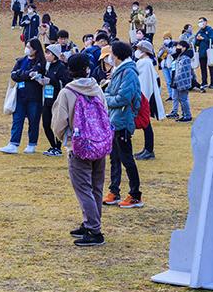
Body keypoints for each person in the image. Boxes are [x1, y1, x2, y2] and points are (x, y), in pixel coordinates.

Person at [51, 52, 109, 246]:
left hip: (79, 145)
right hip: (99, 143)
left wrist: (65, 140)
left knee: (83, 187)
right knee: (96, 186)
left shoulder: (68, 92)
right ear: (87, 68)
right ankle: (91, 222)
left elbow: (59, 122)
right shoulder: (96, 88)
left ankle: (94, 229)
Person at [102, 41, 143, 209]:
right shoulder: (119, 71)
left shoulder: (129, 73)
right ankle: (114, 190)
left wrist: (106, 99)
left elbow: (123, 98)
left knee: (127, 158)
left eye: (111, 53)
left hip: (122, 121)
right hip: (115, 120)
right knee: (114, 158)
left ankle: (135, 194)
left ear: (117, 55)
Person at [0, 39, 47, 154]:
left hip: (34, 96)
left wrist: (23, 74)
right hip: (20, 95)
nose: (27, 49)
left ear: (35, 49)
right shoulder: (21, 60)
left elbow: (33, 73)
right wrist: (26, 74)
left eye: (30, 47)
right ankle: (13, 143)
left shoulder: (40, 62)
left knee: (33, 120)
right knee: (17, 119)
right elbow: (14, 75)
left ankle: (32, 144)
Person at [134, 40, 165, 160]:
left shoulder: (143, 63)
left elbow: (142, 81)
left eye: (138, 49)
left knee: (146, 124)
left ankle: (149, 150)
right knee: (146, 125)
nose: (136, 51)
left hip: (143, 97)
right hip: (145, 96)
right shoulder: (146, 62)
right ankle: (147, 149)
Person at [41, 44, 72, 157]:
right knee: (46, 123)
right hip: (47, 99)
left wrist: (51, 81)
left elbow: (64, 82)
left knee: (56, 124)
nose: (46, 55)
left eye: (48, 53)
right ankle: (53, 146)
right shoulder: (48, 66)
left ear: (55, 55)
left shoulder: (61, 67)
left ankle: (58, 147)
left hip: (57, 100)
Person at [167, 40, 193, 122]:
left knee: (183, 99)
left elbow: (182, 72)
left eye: (179, 46)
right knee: (181, 99)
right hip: (178, 82)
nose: (177, 48)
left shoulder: (185, 58)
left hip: (182, 82)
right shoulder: (180, 56)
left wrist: (177, 82)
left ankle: (187, 116)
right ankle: (184, 115)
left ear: (184, 48)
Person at [194, 17, 213, 90]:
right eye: (199, 22)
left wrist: (203, 38)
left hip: (209, 52)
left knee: (211, 67)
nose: (200, 23)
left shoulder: (210, 30)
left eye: (202, 21)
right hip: (202, 52)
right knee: (203, 68)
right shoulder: (199, 32)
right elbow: (196, 43)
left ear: (206, 22)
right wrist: (198, 40)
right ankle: (204, 82)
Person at [157, 32, 174, 101]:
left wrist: (166, 49)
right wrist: (161, 50)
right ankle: (170, 95)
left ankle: (174, 96)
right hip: (164, 65)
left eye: (167, 38)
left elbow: (173, 53)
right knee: (168, 82)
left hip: (171, 65)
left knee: (173, 81)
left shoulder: (173, 44)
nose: (165, 40)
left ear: (170, 38)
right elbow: (159, 56)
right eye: (164, 38)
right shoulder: (163, 46)